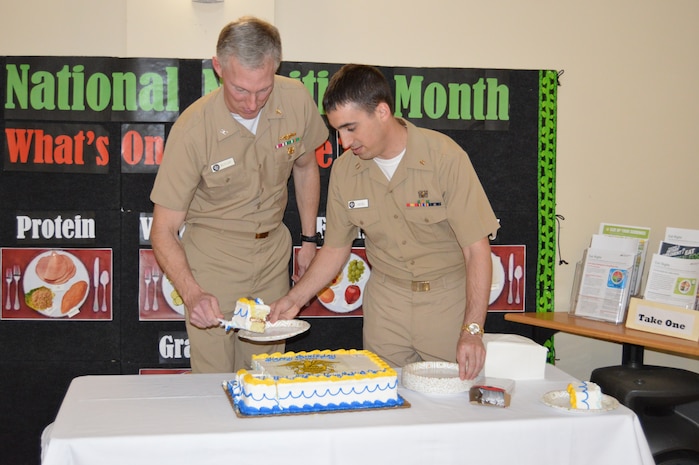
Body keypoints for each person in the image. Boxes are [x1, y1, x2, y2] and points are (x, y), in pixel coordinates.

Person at [269, 64, 499, 380]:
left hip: (447, 303)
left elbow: (477, 250)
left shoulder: (444, 158)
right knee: (383, 403)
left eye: (351, 128)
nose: (344, 142)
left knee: (451, 409)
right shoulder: (344, 171)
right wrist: (294, 298)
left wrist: (472, 329)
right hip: (386, 306)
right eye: (338, 130)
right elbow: (335, 250)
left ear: (382, 111)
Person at [150, 16, 328, 373]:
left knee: (267, 375)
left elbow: (306, 166)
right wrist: (193, 293)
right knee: (214, 384)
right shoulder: (192, 129)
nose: (252, 103)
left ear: (276, 67)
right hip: (213, 262)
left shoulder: (295, 99)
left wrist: (309, 239)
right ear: (218, 67)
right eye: (240, 90)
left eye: (263, 90)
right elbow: (163, 230)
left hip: (272, 258)